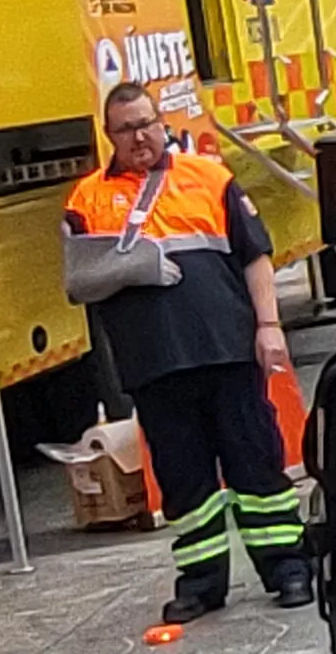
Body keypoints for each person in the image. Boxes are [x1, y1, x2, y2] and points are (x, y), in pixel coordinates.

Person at [64, 84, 307, 619]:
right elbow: (79, 281)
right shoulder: (87, 199)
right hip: (154, 365)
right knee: (182, 477)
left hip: (227, 350)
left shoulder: (209, 177)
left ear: (161, 121)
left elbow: (255, 256)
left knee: (257, 465)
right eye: (126, 128)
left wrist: (269, 325)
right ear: (109, 137)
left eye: (146, 122)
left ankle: (288, 567)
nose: (140, 136)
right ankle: (201, 583)